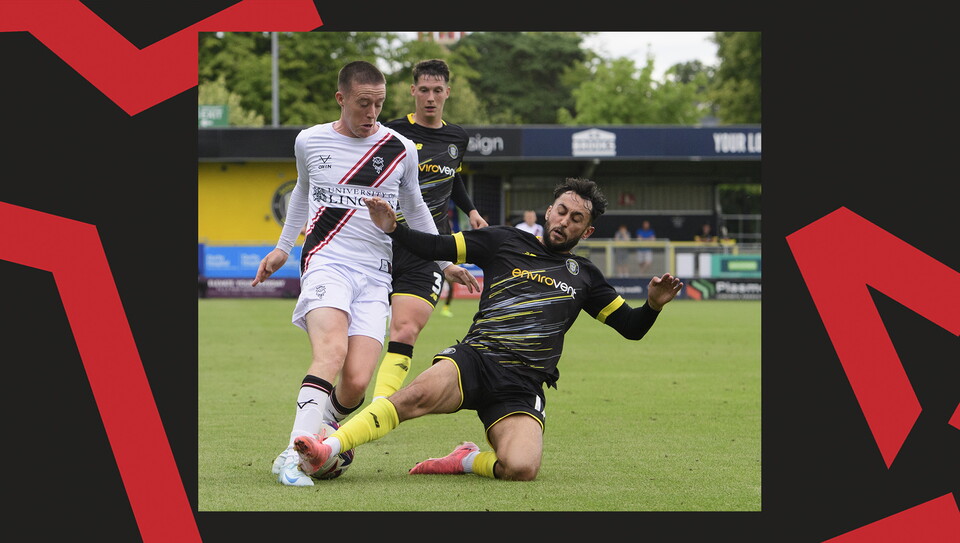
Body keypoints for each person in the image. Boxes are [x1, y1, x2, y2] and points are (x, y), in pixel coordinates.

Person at [291, 177, 683, 482]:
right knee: (410, 397)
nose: (565, 222)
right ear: (549, 211)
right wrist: (395, 230)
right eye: (562, 211)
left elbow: (630, 328)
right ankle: (329, 447)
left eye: (576, 219)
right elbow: (436, 246)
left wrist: (652, 305)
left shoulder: (586, 277)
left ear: (588, 231)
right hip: (475, 360)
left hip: (522, 385)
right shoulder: (502, 240)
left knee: (521, 468)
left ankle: (464, 460)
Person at [250, 60, 479, 487]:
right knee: (331, 354)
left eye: (378, 104)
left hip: (376, 273)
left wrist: (445, 260)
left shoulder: (401, 149)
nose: (371, 114)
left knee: (355, 383)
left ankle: (319, 436)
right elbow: (302, 189)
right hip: (326, 260)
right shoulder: (309, 141)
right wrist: (283, 248)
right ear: (341, 99)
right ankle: (292, 453)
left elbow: (417, 210)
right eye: (362, 104)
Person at [371, 58, 488, 404]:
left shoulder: (457, 138)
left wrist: (471, 210)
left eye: (438, 90)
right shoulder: (390, 134)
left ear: (447, 93)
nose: (431, 97)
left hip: (430, 247)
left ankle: (377, 411)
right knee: (362, 335)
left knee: (405, 329)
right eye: (424, 90)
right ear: (412, 91)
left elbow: (452, 179)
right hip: (382, 244)